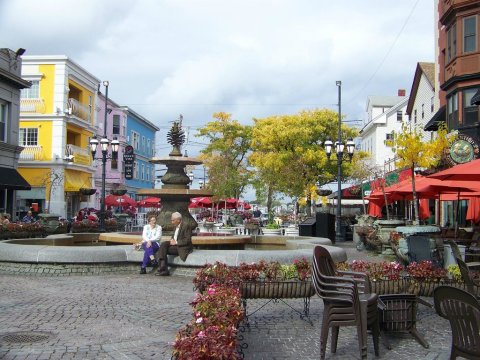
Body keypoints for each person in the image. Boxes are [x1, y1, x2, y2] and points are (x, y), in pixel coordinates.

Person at [155, 212, 193, 276]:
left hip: (182, 247)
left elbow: (188, 240)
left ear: (178, 220)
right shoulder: (175, 226)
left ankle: (163, 268)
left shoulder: (186, 226)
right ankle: (163, 267)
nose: (171, 222)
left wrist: (176, 242)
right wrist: (172, 240)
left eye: (173, 220)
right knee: (163, 244)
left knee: (162, 250)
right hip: (175, 245)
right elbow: (174, 236)